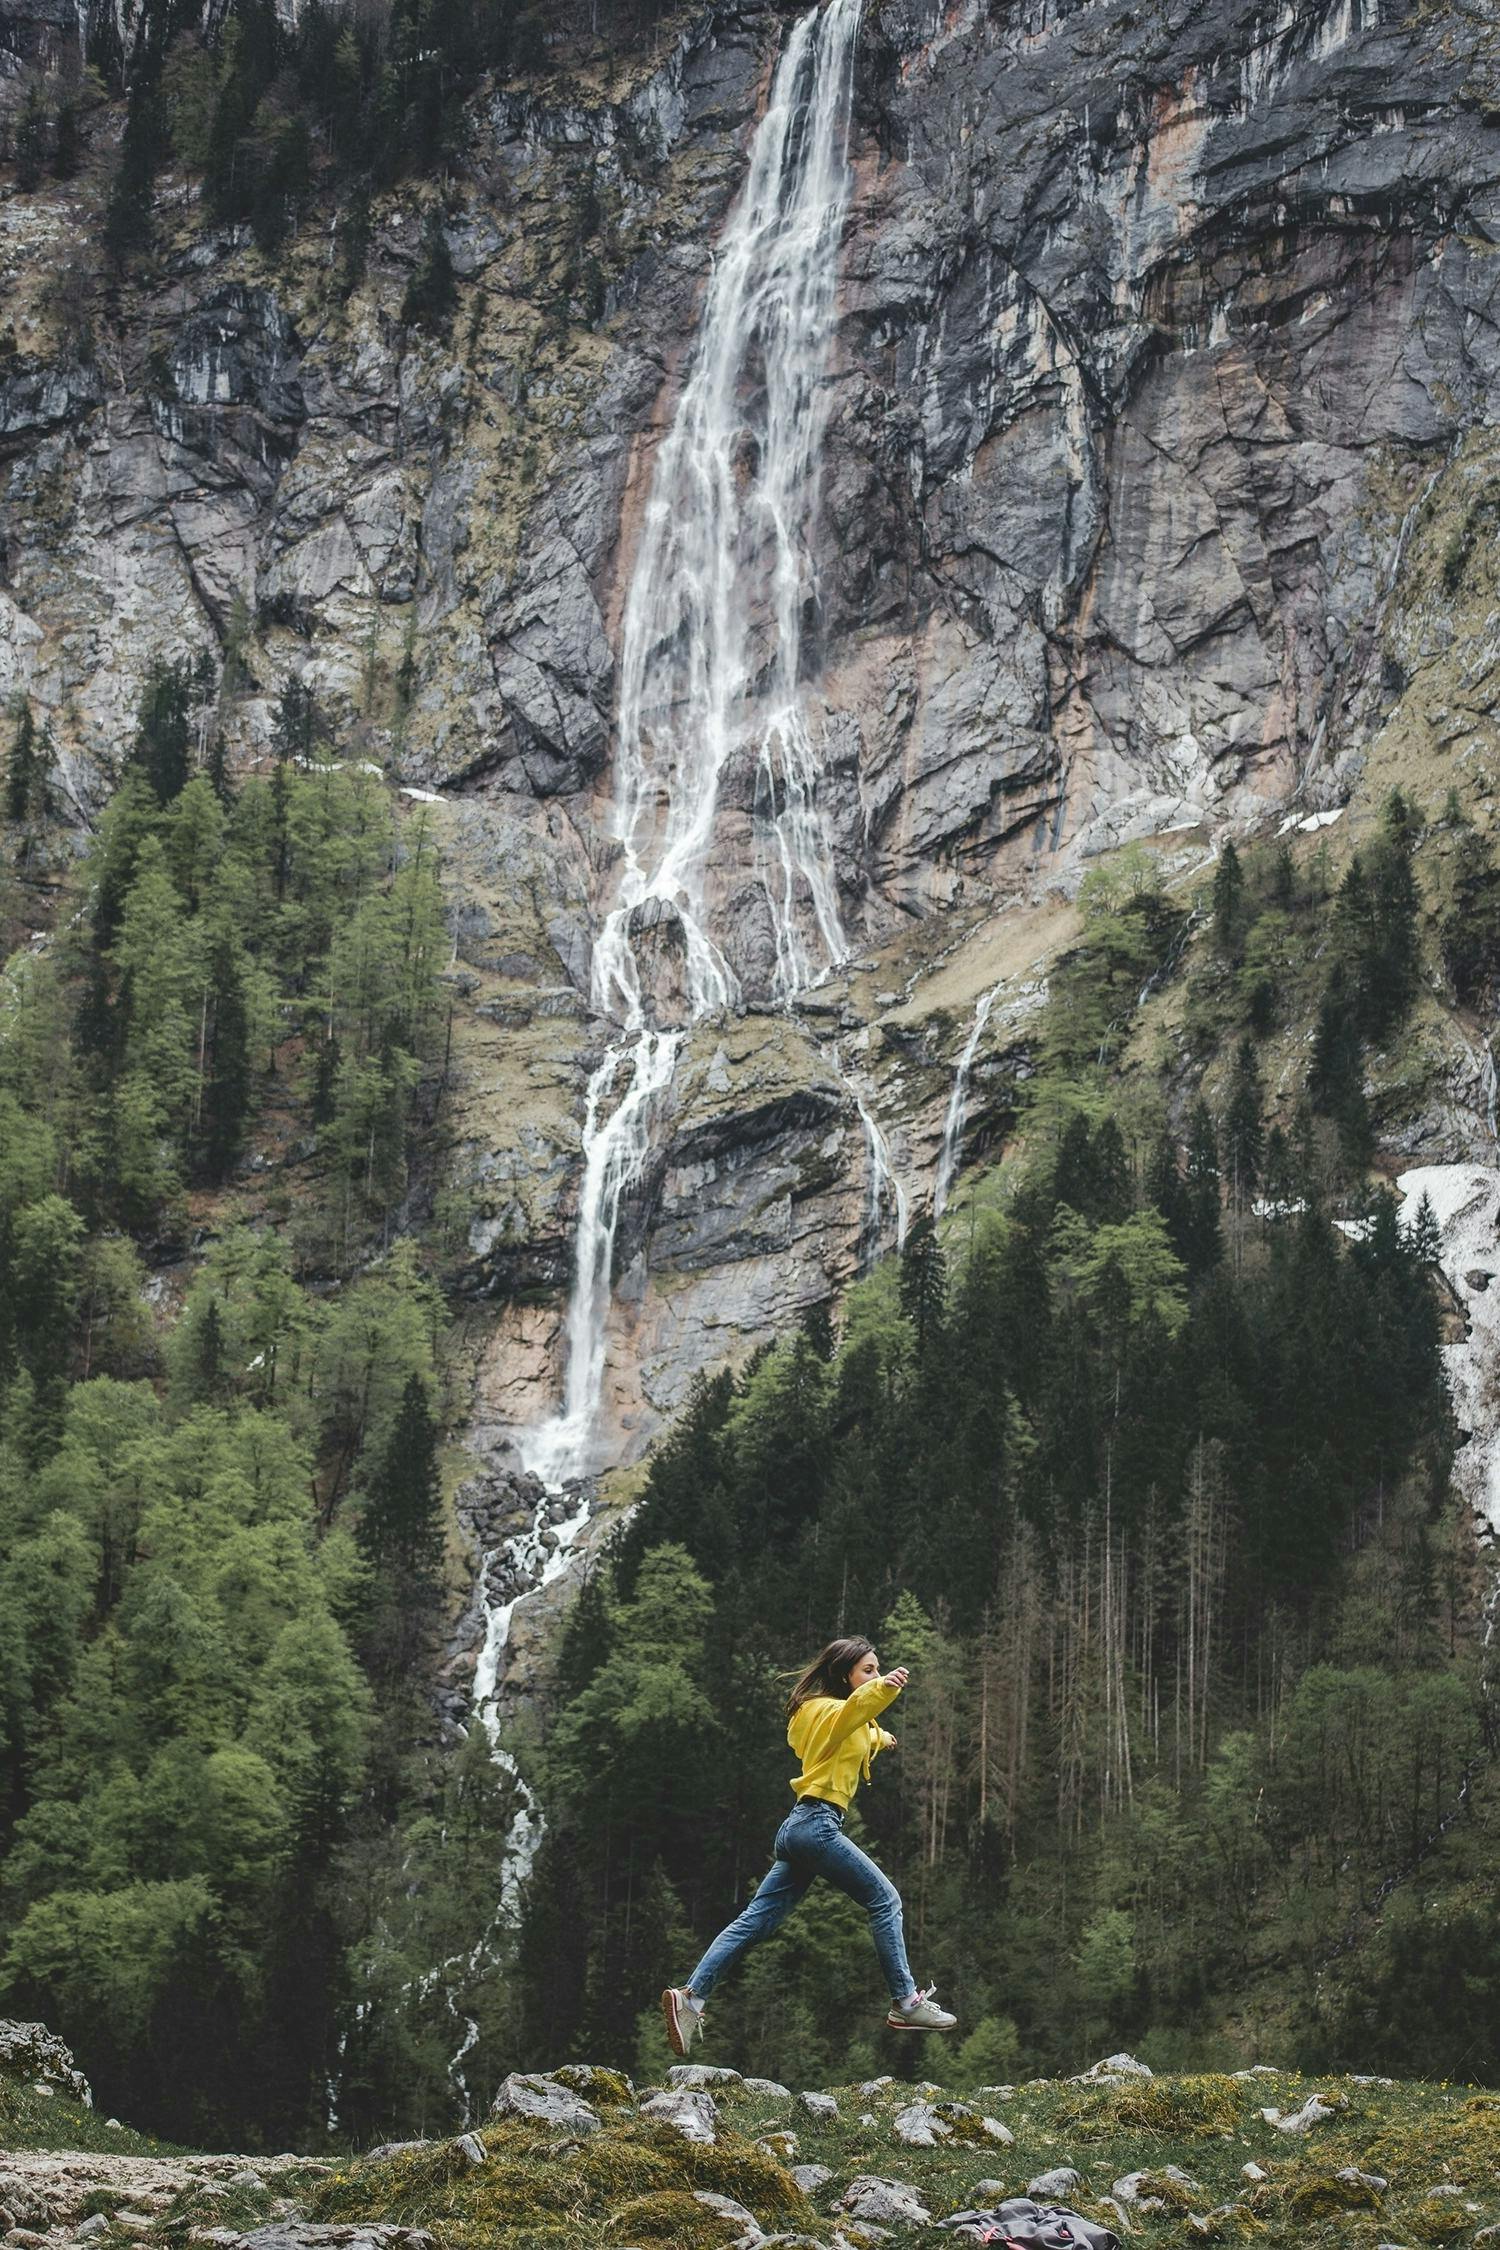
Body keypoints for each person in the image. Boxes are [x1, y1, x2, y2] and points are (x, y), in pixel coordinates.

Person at [661, 1636, 957, 2055]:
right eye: (867, 1669)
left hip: (797, 1829)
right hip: (817, 1825)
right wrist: (885, 1686)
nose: (875, 1674)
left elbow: (857, 1729)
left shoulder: (822, 1716)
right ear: (844, 1676)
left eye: (877, 1669)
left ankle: (691, 1998)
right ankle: (906, 2003)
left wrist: (883, 1738)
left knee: (754, 1921)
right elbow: (854, 1712)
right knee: (885, 1900)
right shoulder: (832, 1710)